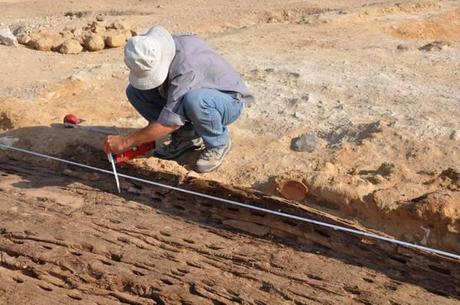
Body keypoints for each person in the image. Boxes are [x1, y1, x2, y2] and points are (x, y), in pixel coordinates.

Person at [103, 25, 253, 173]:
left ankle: (218, 142)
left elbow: (169, 123)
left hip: (227, 101)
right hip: (195, 94)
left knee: (195, 100)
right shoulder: (153, 48)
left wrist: (126, 141)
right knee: (136, 91)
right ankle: (186, 136)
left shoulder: (186, 67)